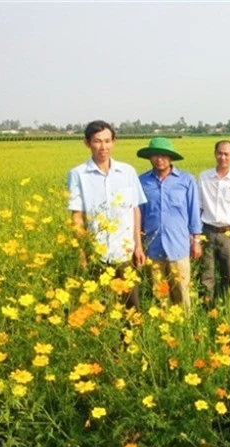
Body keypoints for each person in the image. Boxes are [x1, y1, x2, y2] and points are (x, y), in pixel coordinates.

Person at [67, 120, 146, 309]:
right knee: (102, 308)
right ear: (87, 143)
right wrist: (82, 253)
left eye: (107, 141)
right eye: (97, 141)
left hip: (125, 253)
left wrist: (138, 246)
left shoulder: (127, 172)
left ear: (114, 142)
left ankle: (130, 340)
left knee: (131, 308)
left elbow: (134, 209)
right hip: (98, 254)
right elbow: (77, 216)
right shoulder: (78, 174)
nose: (103, 147)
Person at [138, 137, 202, 314]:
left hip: (179, 246)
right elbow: (139, 215)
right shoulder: (142, 182)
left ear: (171, 158)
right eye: (155, 155)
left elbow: (194, 212)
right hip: (153, 246)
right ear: (149, 158)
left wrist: (196, 240)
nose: (160, 159)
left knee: (182, 291)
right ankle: (166, 327)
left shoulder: (186, 180)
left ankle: (185, 329)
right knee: (160, 293)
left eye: (164, 155)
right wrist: (138, 244)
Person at [198, 140, 230, 305]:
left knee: (229, 273)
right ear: (215, 154)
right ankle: (207, 307)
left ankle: (227, 306)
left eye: (226, 154)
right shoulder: (204, 177)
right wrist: (195, 236)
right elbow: (198, 207)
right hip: (207, 231)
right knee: (207, 274)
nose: (222, 157)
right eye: (219, 153)